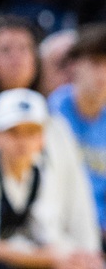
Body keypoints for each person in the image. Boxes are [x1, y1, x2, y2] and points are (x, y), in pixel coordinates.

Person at [0, 16, 99, 251]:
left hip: (56, 247)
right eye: (5, 50)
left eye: (24, 49)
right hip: (0, 251)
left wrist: (90, 252)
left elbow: (78, 197)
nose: (16, 58)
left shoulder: (55, 124)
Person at [0, 88, 106, 269]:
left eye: (31, 132)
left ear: (42, 140)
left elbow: (46, 236)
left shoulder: (37, 173)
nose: (22, 141)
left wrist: (78, 257)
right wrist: (49, 259)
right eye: (13, 132)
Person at [48, 24, 106, 245]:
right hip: (60, 229)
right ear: (74, 65)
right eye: (96, 63)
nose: (103, 74)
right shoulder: (53, 111)